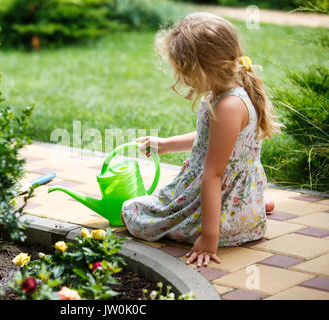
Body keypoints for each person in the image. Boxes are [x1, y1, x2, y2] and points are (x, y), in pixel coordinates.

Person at [120, 12, 282, 268]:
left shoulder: (228, 105)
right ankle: (253, 205)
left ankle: (237, 217)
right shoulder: (230, 91)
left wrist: (208, 238)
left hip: (219, 208)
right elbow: (213, 140)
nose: (183, 79)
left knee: (133, 211)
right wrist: (165, 144)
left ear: (202, 69)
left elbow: (213, 175)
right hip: (235, 198)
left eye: (184, 72)